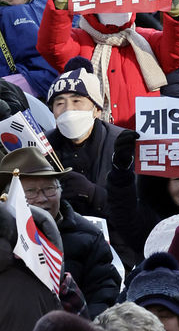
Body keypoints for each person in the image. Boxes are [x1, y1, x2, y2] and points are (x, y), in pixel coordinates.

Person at [37, 0, 179, 129]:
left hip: (144, 137)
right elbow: (52, 47)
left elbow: (177, 53)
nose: (116, 4)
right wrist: (59, 8)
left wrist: (178, 14)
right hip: (96, 140)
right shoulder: (78, 40)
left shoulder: (145, 38)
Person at [0, 147, 121, 317]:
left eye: (49, 189)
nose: (42, 198)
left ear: (60, 191)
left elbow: (103, 292)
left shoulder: (88, 235)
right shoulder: (3, 237)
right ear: (9, 197)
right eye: (31, 192)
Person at [45, 57, 123, 219]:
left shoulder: (122, 144)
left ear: (97, 110)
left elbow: (137, 211)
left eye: (76, 101)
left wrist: (93, 193)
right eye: (60, 103)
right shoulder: (43, 146)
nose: (68, 109)